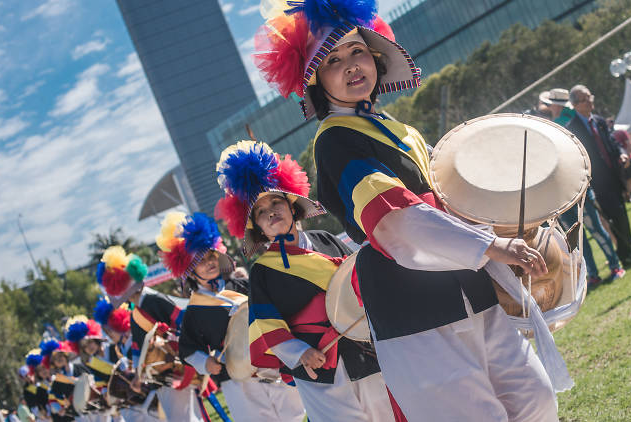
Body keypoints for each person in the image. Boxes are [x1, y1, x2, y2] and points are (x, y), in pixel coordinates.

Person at [254, 3, 559, 420]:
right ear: (316, 83)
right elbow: (393, 217)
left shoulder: (401, 128)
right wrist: (489, 244)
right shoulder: (334, 141)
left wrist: (508, 218)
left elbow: (455, 196)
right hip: (410, 306)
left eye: (357, 51)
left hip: (469, 285)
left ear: (376, 56)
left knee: (535, 398)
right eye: (333, 61)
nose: (351, 66)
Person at [215, 141, 398, 421]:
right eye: (261, 212)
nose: (271, 212)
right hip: (318, 367)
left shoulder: (325, 239)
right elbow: (266, 323)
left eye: (276, 202)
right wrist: (299, 353)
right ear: (257, 228)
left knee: (386, 413)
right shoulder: (261, 271)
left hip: (363, 348)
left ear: (292, 205)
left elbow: (359, 277)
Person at [152, 211, 305, 422]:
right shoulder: (194, 311)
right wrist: (206, 363)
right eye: (200, 260)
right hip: (236, 378)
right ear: (189, 268)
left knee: (295, 415)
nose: (209, 263)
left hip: (271, 360)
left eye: (210, 256)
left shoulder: (242, 284)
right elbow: (188, 348)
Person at [96, 245, 204, 422]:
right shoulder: (137, 311)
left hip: (174, 366)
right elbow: (139, 349)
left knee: (183, 418)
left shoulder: (153, 300)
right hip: (160, 374)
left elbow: (184, 323)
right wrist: (138, 377)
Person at [566, 85, 631, 267]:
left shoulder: (599, 121)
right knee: (614, 216)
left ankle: (629, 250)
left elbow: (612, 141)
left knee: (621, 213)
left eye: (590, 96)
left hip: (614, 176)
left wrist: (621, 153)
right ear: (575, 105)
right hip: (597, 182)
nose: (589, 101)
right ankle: (626, 253)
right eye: (584, 99)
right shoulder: (573, 129)